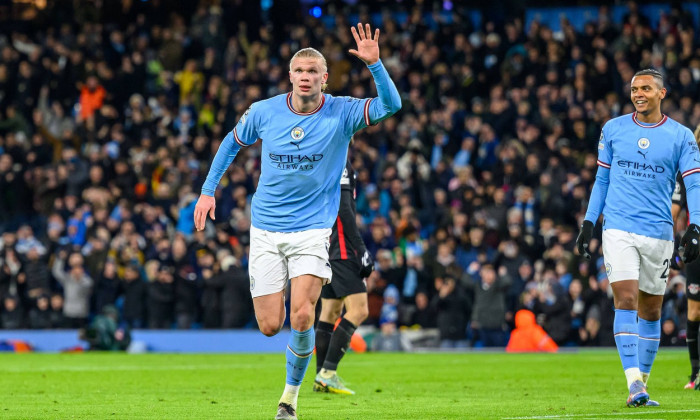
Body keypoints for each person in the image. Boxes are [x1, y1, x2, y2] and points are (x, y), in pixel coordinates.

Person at [194, 23, 401, 420]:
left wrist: (376, 66)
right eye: (299, 71)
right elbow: (230, 144)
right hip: (267, 228)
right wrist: (208, 190)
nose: (306, 78)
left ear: (325, 78)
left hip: (312, 230)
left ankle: (289, 400)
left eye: (313, 72)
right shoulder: (263, 112)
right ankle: (300, 374)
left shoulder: (342, 112)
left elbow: (390, 106)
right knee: (271, 325)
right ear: (290, 76)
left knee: (304, 314)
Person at [576, 69, 700, 407]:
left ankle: (642, 384)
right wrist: (589, 223)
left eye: (646, 88)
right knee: (626, 299)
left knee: (651, 310)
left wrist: (696, 225)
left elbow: (693, 184)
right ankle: (634, 384)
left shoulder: (681, 136)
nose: (638, 93)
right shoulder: (613, 129)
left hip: (659, 232)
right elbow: (601, 180)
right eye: (634, 88)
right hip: (618, 228)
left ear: (662, 93)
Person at [313, 158, 373, 395]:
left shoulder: (322, 161)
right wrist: (361, 249)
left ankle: (321, 377)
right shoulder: (340, 162)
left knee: (330, 312)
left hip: (325, 248)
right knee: (359, 310)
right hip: (343, 251)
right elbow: (344, 209)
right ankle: (328, 373)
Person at [671, 123, 700, 390]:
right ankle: (694, 374)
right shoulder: (688, 170)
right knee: (694, 310)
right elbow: (674, 209)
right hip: (696, 247)